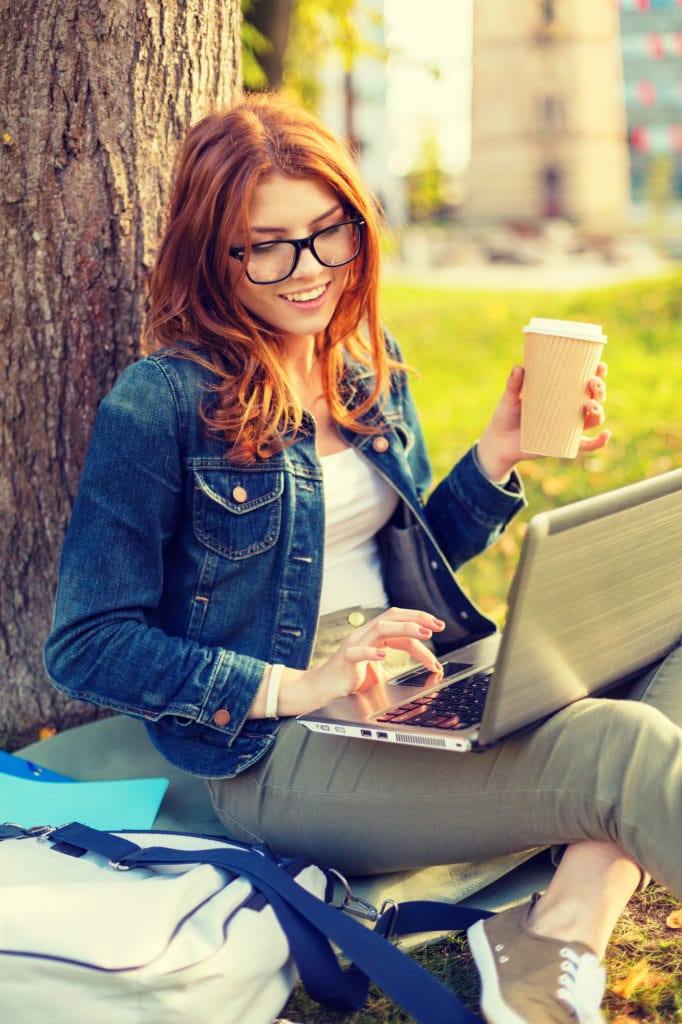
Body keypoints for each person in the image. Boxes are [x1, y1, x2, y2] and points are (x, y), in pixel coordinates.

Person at [44, 93, 682, 1024]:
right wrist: (297, 684)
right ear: (209, 253)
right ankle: (562, 920)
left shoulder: (364, 360)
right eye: (267, 244)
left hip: (417, 699)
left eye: (328, 234)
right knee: (619, 750)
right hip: (278, 758)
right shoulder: (159, 405)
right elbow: (87, 643)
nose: (308, 271)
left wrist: (497, 456)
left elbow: (408, 555)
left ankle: (561, 926)